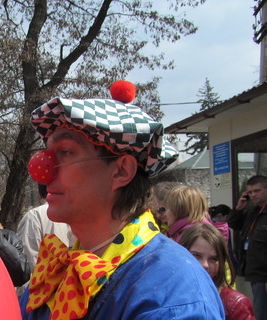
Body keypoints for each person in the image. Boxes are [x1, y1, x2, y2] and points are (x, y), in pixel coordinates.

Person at [20, 86, 223, 319]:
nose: (42, 170)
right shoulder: (54, 274)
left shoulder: (174, 291)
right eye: (48, 152)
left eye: (66, 152)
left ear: (121, 171)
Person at [179, 223, 255, 320]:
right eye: (196, 256)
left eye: (213, 259)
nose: (205, 265)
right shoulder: (168, 296)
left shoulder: (235, 304)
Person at [16, 184, 76, 296]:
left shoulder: (34, 217)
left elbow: (27, 261)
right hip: (67, 290)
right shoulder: (71, 214)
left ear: (39, 194)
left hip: (39, 292)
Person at [229, 175, 267, 320]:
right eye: (250, 192)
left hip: (263, 273)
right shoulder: (254, 212)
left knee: (261, 312)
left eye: (257, 191)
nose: (253, 195)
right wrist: (239, 209)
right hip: (253, 270)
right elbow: (234, 225)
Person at [162, 184, 228, 243]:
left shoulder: (194, 236)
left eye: (167, 208)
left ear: (179, 210)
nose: (165, 213)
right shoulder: (185, 232)